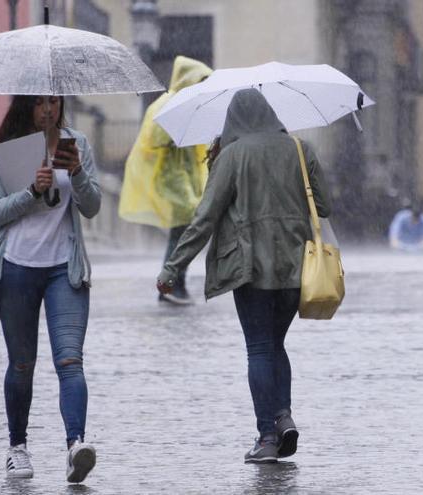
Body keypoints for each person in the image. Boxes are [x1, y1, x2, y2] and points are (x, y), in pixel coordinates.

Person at [156, 89, 332, 463]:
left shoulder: (232, 156)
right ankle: (283, 417)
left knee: (259, 347)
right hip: (296, 267)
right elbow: (325, 204)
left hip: (250, 269)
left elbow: (205, 219)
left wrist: (173, 267)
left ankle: (266, 436)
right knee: (275, 343)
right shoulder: (300, 149)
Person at [0, 95, 101, 482]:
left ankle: (75, 445)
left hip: (64, 268)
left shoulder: (75, 144)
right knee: (22, 363)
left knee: (70, 360)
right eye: (40, 104)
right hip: (16, 268)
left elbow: (93, 206)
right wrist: (31, 191)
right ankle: (17, 447)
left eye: (54, 102)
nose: (48, 110)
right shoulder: (7, 151)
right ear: (26, 108)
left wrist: (77, 172)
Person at [119, 55, 213, 305]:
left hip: (186, 176)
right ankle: (171, 284)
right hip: (173, 177)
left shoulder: (188, 103)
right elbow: (157, 138)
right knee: (183, 232)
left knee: (183, 231)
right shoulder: (167, 104)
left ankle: (173, 283)